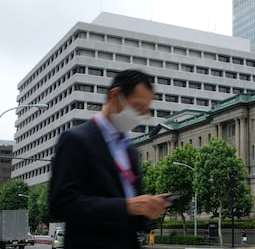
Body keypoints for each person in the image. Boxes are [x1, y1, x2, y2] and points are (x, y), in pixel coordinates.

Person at [49, 69, 172, 249]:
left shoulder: (130, 151)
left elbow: (131, 214)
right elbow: (61, 204)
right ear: (115, 95)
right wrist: (128, 206)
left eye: (145, 111)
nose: (140, 116)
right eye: (137, 107)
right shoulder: (75, 140)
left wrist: (148, 209)